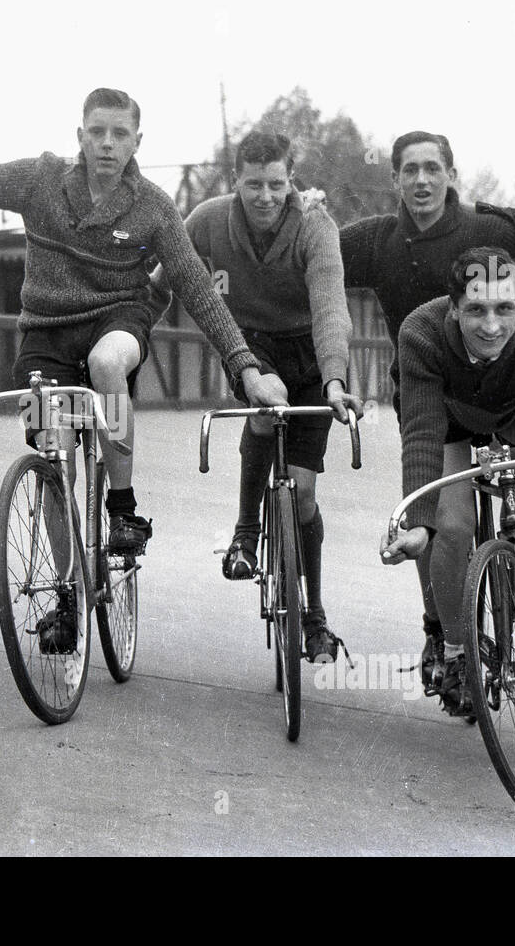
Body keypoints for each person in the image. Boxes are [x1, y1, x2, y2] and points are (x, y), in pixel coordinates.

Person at [0, 88, 284, 558]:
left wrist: (246, 367)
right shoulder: (40, 180)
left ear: (137, 141)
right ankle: (66, 594)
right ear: (80, 136)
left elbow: (196, 286)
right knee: (56, 459)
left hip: (117, 321)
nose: (107, 143)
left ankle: (123, 506)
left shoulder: (153, 206)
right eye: (97, 132)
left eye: (119, 134)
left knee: (106, 363)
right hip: (44, 334)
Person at [339, 131, 515, 688]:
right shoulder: (377, 238)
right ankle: (441, 633)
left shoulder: (489, 228)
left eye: (432, 168)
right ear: (395, 178)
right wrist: (308, 213)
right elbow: (319, 254)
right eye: (409, 170)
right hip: (430, 389)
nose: (421, 180)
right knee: (445, 522)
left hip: (501, 384)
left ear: (450, 173)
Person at [161, 129, 361, 662]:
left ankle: (314, 615)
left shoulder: (316, 226)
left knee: (304, 496)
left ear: (290, 179)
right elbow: (162, 280)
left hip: (311, 352)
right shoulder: (206, 220)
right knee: (265, 412)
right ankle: (245, 531)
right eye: (254, 185)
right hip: (249, 346)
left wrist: (335, 379)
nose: (266, 196)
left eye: (276, 183)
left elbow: (329, 305)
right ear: (235, 182)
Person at [380, 247, 515, 715]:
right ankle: (458, 653)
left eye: (505, 309)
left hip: (513, 407)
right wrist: (418, 523)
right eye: (476, 310)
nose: (492, 325)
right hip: (446, 417)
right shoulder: (421, 331)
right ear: (454, 307)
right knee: (454, 525)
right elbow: (422, 434)